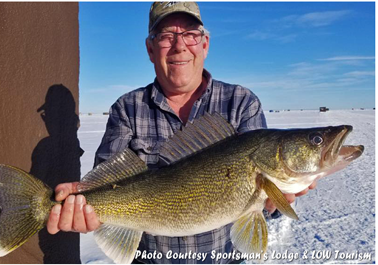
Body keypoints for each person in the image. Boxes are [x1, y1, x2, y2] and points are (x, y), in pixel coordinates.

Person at [47, 2, 317, 263]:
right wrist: (85, 206)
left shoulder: (241, 102)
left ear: (205, 44)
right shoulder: (127, 108)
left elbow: (265, 211)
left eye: (190, 34)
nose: (179, 45)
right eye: (166, 36)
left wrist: (273, 204)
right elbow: (105, 181)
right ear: (151, 49)